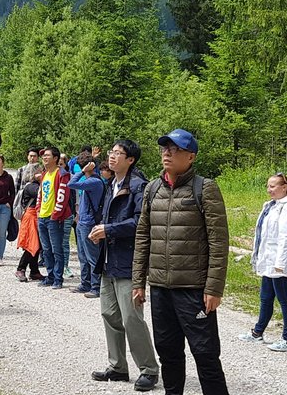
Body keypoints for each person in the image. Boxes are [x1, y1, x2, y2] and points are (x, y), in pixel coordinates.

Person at [132, 129, 229, 394]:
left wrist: (213, 288)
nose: (167, 153)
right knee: (168, 354)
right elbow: (143, 236)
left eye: (175, 149)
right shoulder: (152, 188)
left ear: (191, 157)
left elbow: (219, 242)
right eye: (165, 148)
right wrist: (138, 281)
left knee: (206, 355)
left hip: (194, 290)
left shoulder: (204, 188)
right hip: (161, 289)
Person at [89, 140, 159, 392]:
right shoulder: (110, 185)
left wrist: (108, 230)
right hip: (108, 260)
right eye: (111, 152)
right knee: (109, 314)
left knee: (132, 318)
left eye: (118, 153)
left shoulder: (138, 187)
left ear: (130, 160)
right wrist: (101, 231)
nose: (112, 157)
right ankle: (118, 367)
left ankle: (149, 370)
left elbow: (141, 223)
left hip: (129, 262)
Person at [238, 173, 287, 352]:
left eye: (273, 186)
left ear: (284, 187)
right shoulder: (270, 206)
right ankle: (257, 333)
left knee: (285, 300)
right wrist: (258, 256)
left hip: (281, 262)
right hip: (269, 259)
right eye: (268, 186)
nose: (270, 190)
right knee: (265, 298)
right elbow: (262, 235)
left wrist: (280, 263)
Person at [68, 151, 104, 298]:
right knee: (82, 255)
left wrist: (82, 172)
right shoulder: (89, 180)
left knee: (92, 255)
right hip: (82, 221)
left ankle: (96, 287)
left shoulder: (94, 181)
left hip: (89, 223)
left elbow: (71, 184)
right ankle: (85, 283)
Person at [36, 147, 72, 290]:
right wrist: (38, 210)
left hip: (54, 218)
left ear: (55, 158)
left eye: (47, 155)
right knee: (46, 249)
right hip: (42, 216)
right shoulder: (44, 174)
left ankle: (58, 278)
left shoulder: (62, 174)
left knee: (57, 249)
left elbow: (63, 197)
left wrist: (55, 215)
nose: (44, 158)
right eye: (43, 156)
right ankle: (50, 276)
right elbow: (41, 194)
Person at [15, 163, 45, 282]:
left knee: (37, 245)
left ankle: (34, 271)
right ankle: (20, 268)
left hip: (36, 217)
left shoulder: (35, 185)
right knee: (31, 244)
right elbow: (42, 194)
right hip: (30, 217)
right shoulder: (31, 186)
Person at [58, 152, 76, 279]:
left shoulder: (70, 178)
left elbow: (74, 197)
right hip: (52, 215)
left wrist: (75, 213)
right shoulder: (50, 176)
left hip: (67, 215)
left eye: (61, 164)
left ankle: (65, 267)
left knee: (64, 242)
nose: (59, 167)